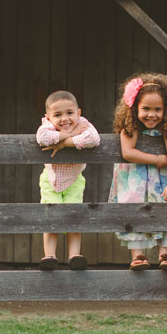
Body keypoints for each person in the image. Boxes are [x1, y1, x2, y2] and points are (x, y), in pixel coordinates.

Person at [108, 73, 167, 270]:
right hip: (134, 180)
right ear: (135, 107)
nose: (151, 114)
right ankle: (138, 256)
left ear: (166, 110)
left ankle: (164, 254)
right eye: (145, 109)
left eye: (158, 109)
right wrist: (157, 159)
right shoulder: (130, 126)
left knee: (166, 210)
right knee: (134, 211)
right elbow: (128, 152)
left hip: (162, 180)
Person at [36, 90, 100, 270]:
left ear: (78, 113)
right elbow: (43, 138)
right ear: (48, 117)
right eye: (58, 115)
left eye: (70, 113)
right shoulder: (46, 126)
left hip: (74, 180)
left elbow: (94, 138)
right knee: (52, 216)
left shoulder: (83, 123)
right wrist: (73, 134)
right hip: (51, 179)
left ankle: (74, 255)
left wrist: (64, 143)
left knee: (74, 216)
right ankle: (49, 255)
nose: (65, 119)